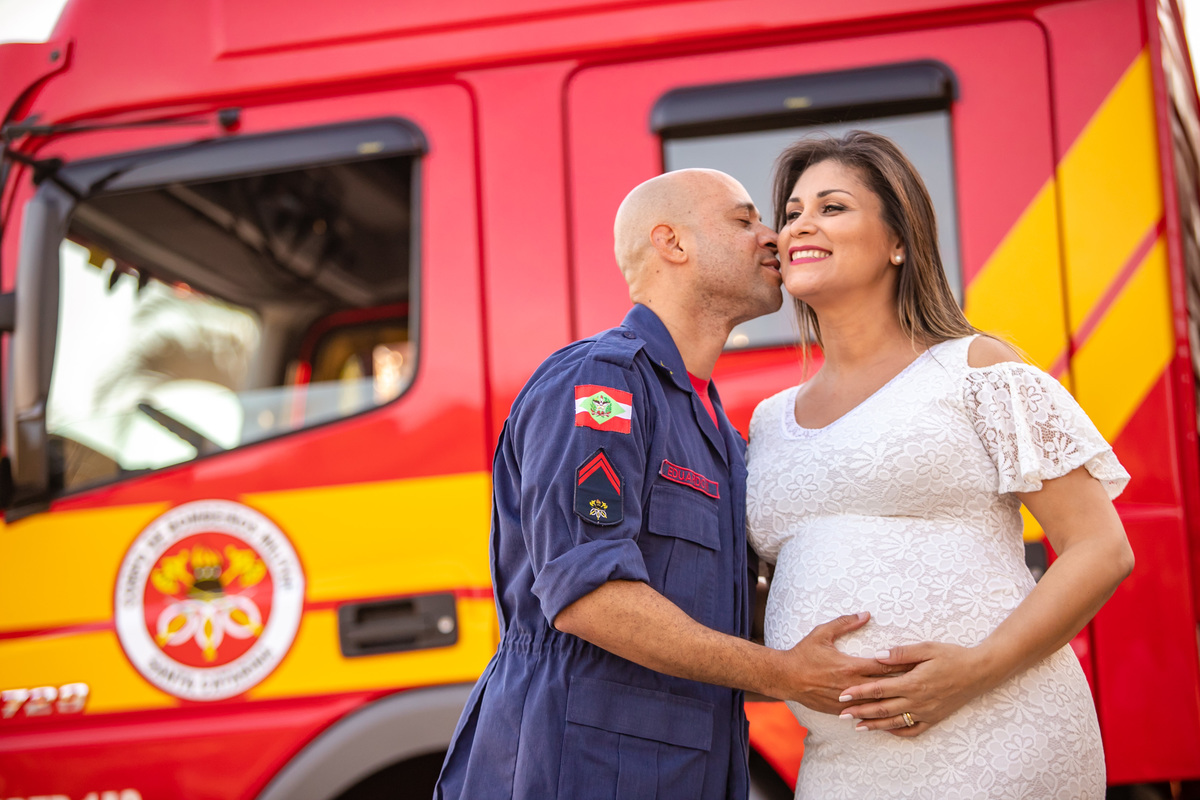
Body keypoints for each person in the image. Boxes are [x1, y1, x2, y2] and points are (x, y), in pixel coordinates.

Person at [435, 168, 906, 799]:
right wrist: (789, 673)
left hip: (690, 769)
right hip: (577, 766)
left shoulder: (716, 429)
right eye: (744, 221)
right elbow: (591, 598)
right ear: (672, 244)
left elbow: (723, 629)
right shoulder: (604, 384)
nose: (775, 237)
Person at [745, 130, 1135, 799]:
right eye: (792, 213)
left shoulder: (980, 370)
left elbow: (1101, 548)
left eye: (832, 207)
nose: (801, 224)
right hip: (842, 768)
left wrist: (974, 669)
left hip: (1001, 740)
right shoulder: (768, 421)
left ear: (899, 242)